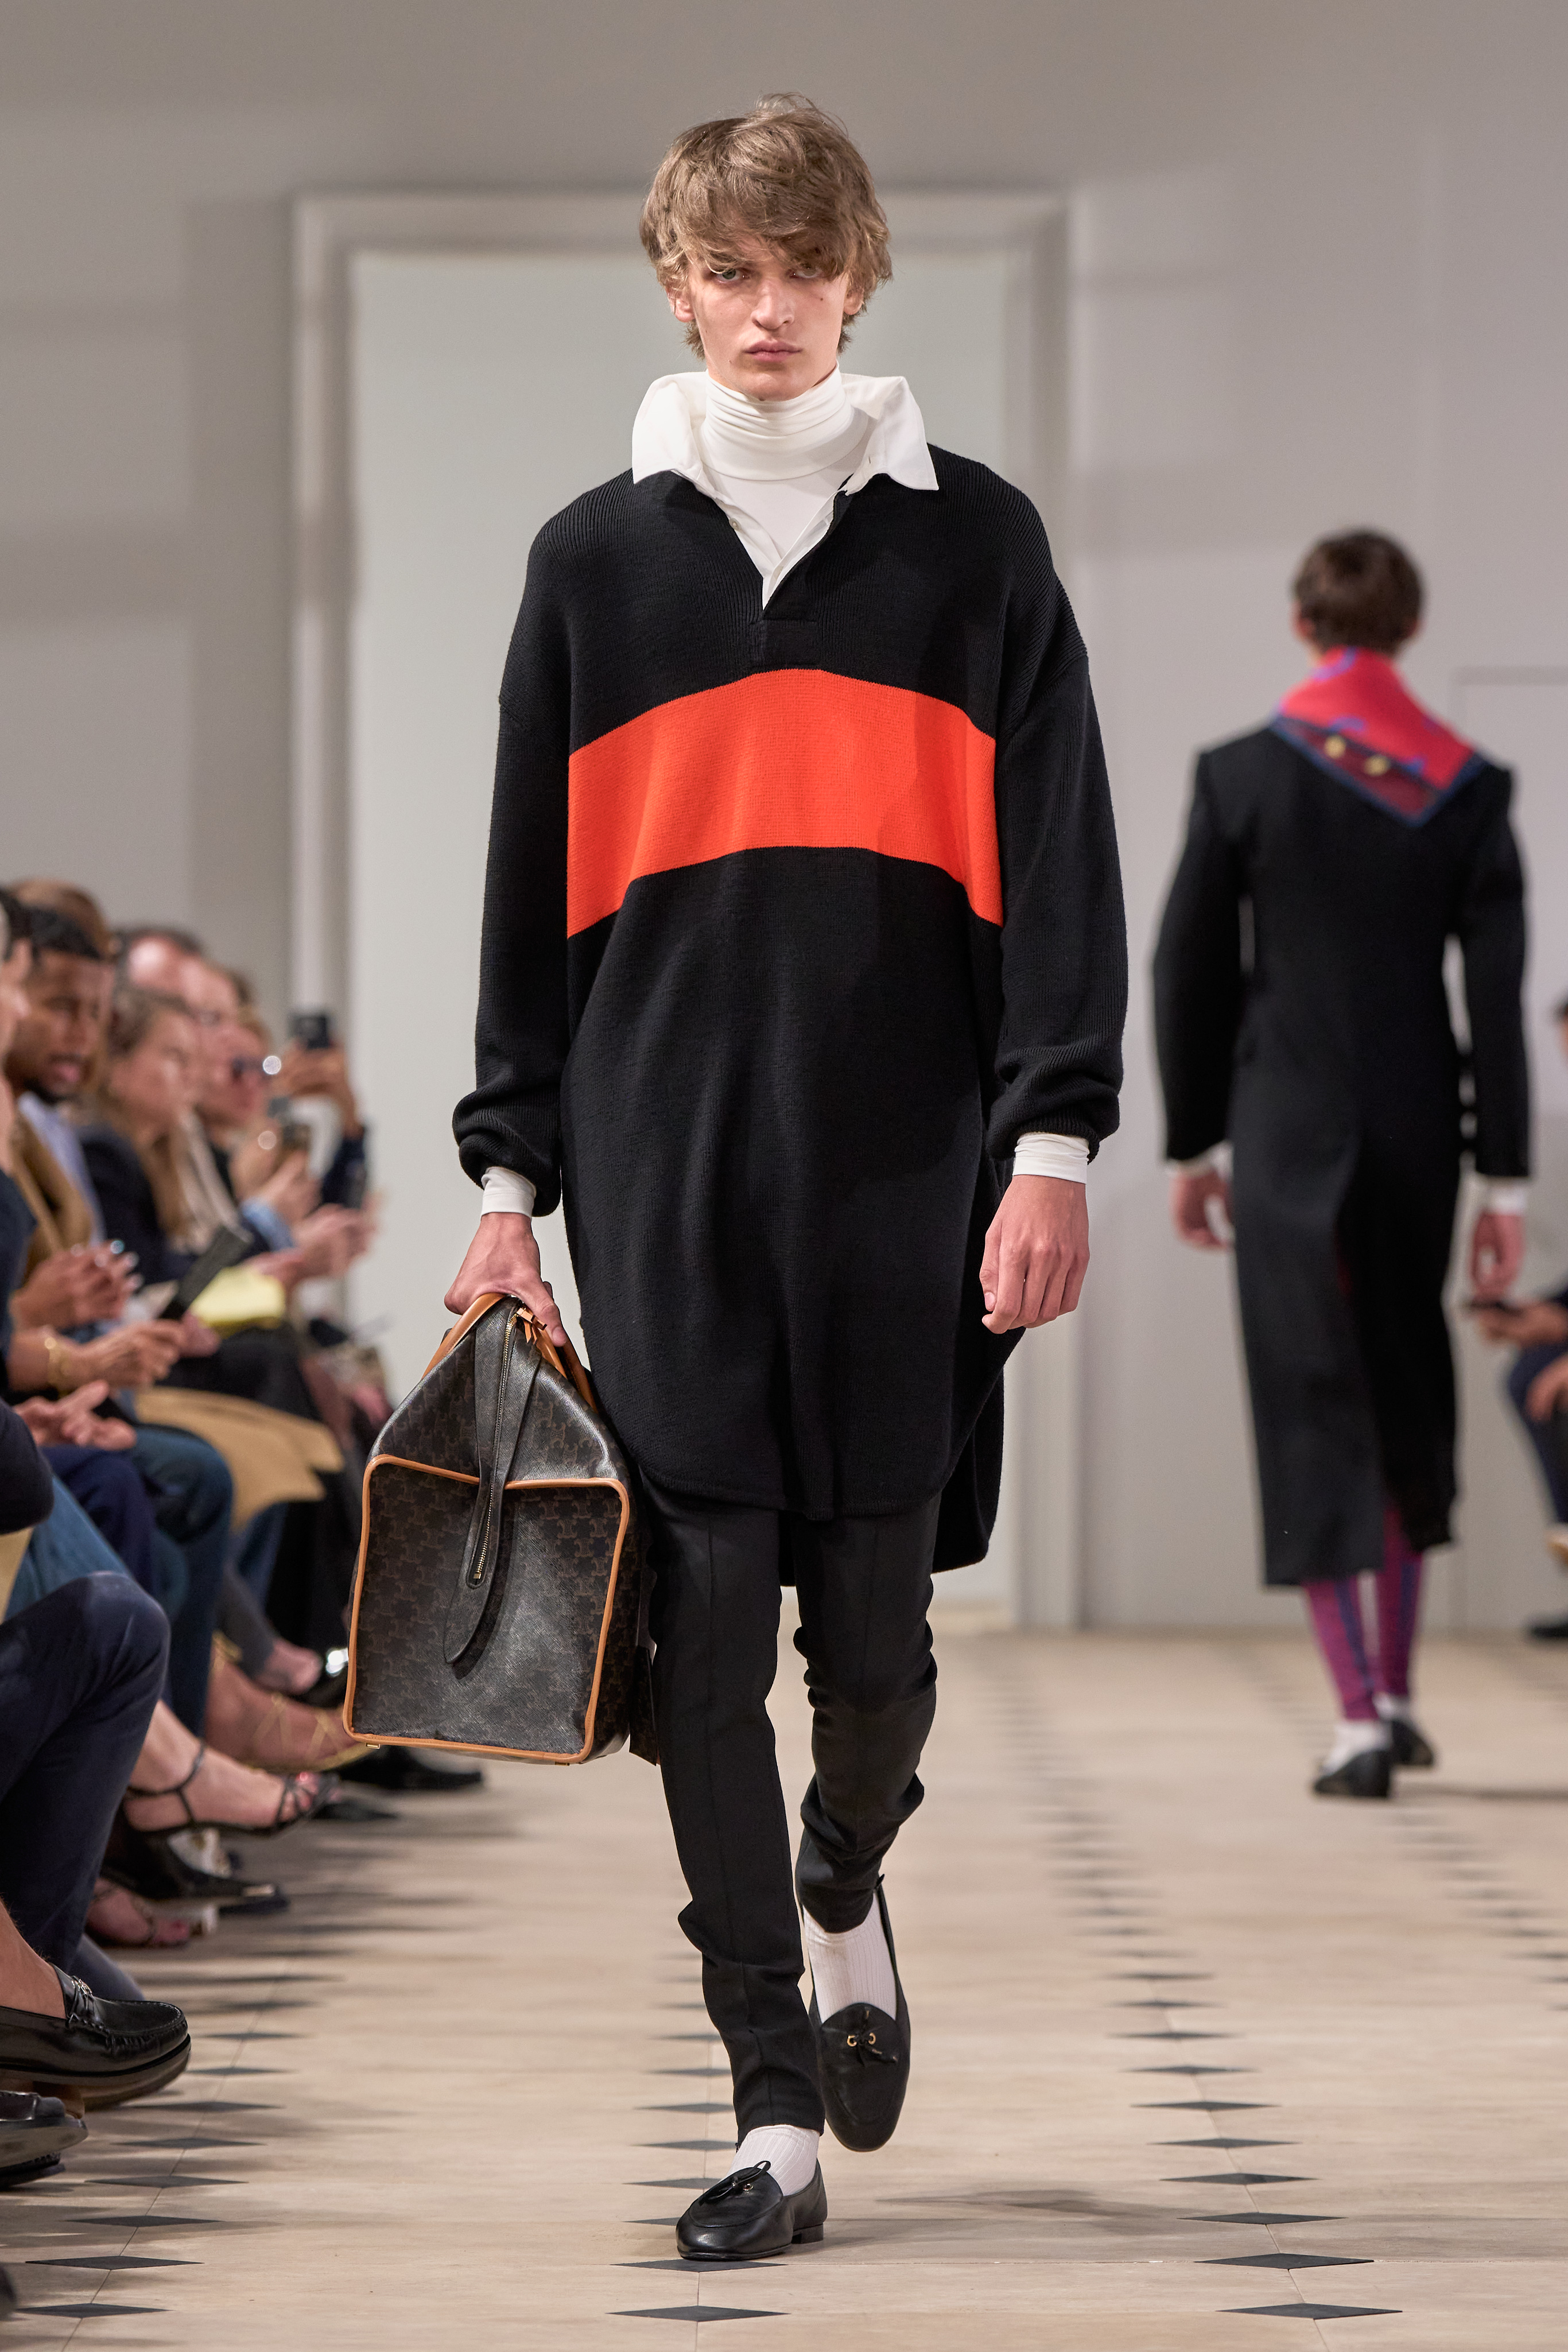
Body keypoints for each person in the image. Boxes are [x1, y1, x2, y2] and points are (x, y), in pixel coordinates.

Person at [444, 95, 1125, 2261]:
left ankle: (850, 1867)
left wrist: (1051, 1141)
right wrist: (504, 1180)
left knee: (881, 1638)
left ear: (857, 277)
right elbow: (525, 907)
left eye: (800, 269)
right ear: (677, 278)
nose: (765, 308)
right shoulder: (590, 563)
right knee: (700, 1640)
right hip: (660, 1177)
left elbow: (1064, 880)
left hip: (911, 1176)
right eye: (729, 271)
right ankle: (768, 2098)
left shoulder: (978, 550)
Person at [1154, 530, 1528, 1797]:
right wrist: (1507, 1183)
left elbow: (1185, 970)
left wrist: (1191, 1141)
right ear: (1406, 628)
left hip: (1281, 1131)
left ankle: (1358, 1715)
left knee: (1309, 1397)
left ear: (1303, 625)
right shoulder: (1468, 785)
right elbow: (1496, 998)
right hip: (1419, 1132)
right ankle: (1405, 1688)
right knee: (1403, 1383)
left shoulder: (1242, 776)